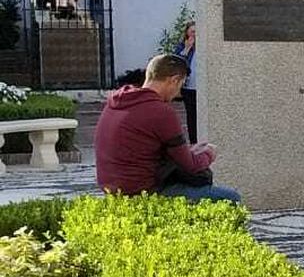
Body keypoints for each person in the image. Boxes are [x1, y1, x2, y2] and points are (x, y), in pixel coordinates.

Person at [95, 53, 241, 204]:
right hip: (143, 192)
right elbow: (190, 166)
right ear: (174, 80)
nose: (179, 92)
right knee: (231, 198)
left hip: (112, 189)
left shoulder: (116, 102)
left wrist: (190, 151)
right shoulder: (160, 111)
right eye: (181, 85)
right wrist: (209, 153)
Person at [178, 22, 198, 141]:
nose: (195, 34)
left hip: (202, 88)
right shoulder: (183, 46)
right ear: (187, 33)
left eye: (196, 31)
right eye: (192, 31)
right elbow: (178, 63)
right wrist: (187, 48)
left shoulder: (205, 45)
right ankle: (194, 141)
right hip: (189, 88)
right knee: (191, 116)